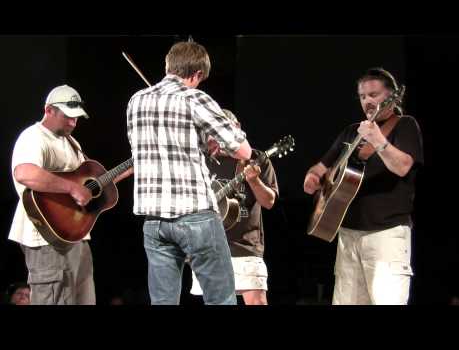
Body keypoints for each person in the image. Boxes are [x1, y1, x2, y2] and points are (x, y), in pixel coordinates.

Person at [127, 41, 252, 305]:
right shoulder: (195, 97)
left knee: (162, 302)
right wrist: (227, 130)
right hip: (195, 215)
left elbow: (152, 150)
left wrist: (202, 145)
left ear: (167, 65)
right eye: (199, 80)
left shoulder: (136, 101)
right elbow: (243, 151)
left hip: (154, 220)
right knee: (221, 299)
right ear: (196, 75)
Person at [303, 68, 424, 305]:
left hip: (386, 235)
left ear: (392, 97)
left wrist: (378, 140)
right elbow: (320, 167)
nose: (367, 101)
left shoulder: (405, 125)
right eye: (362, 96)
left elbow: (403, 166)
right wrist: (312, 178)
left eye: (373, 95)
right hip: (348, 236)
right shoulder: (351, 131)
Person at [9, 85, 131, 305]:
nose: (73, 122)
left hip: (76, 236)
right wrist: (72, 188)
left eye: (76, 118)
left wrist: (128, 170)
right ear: (49, 110)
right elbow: (24, 173)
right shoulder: (33, 137)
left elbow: (89, 188)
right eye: (68, 116)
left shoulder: (72, 143)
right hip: (46, 239)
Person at [190, 109, 279, 305]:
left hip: (245, 245)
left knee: (257, 302)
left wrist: (254, 181)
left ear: (236, 128)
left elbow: (269, 202)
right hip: (209, 248)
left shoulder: (258, 159)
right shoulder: (202, 161)